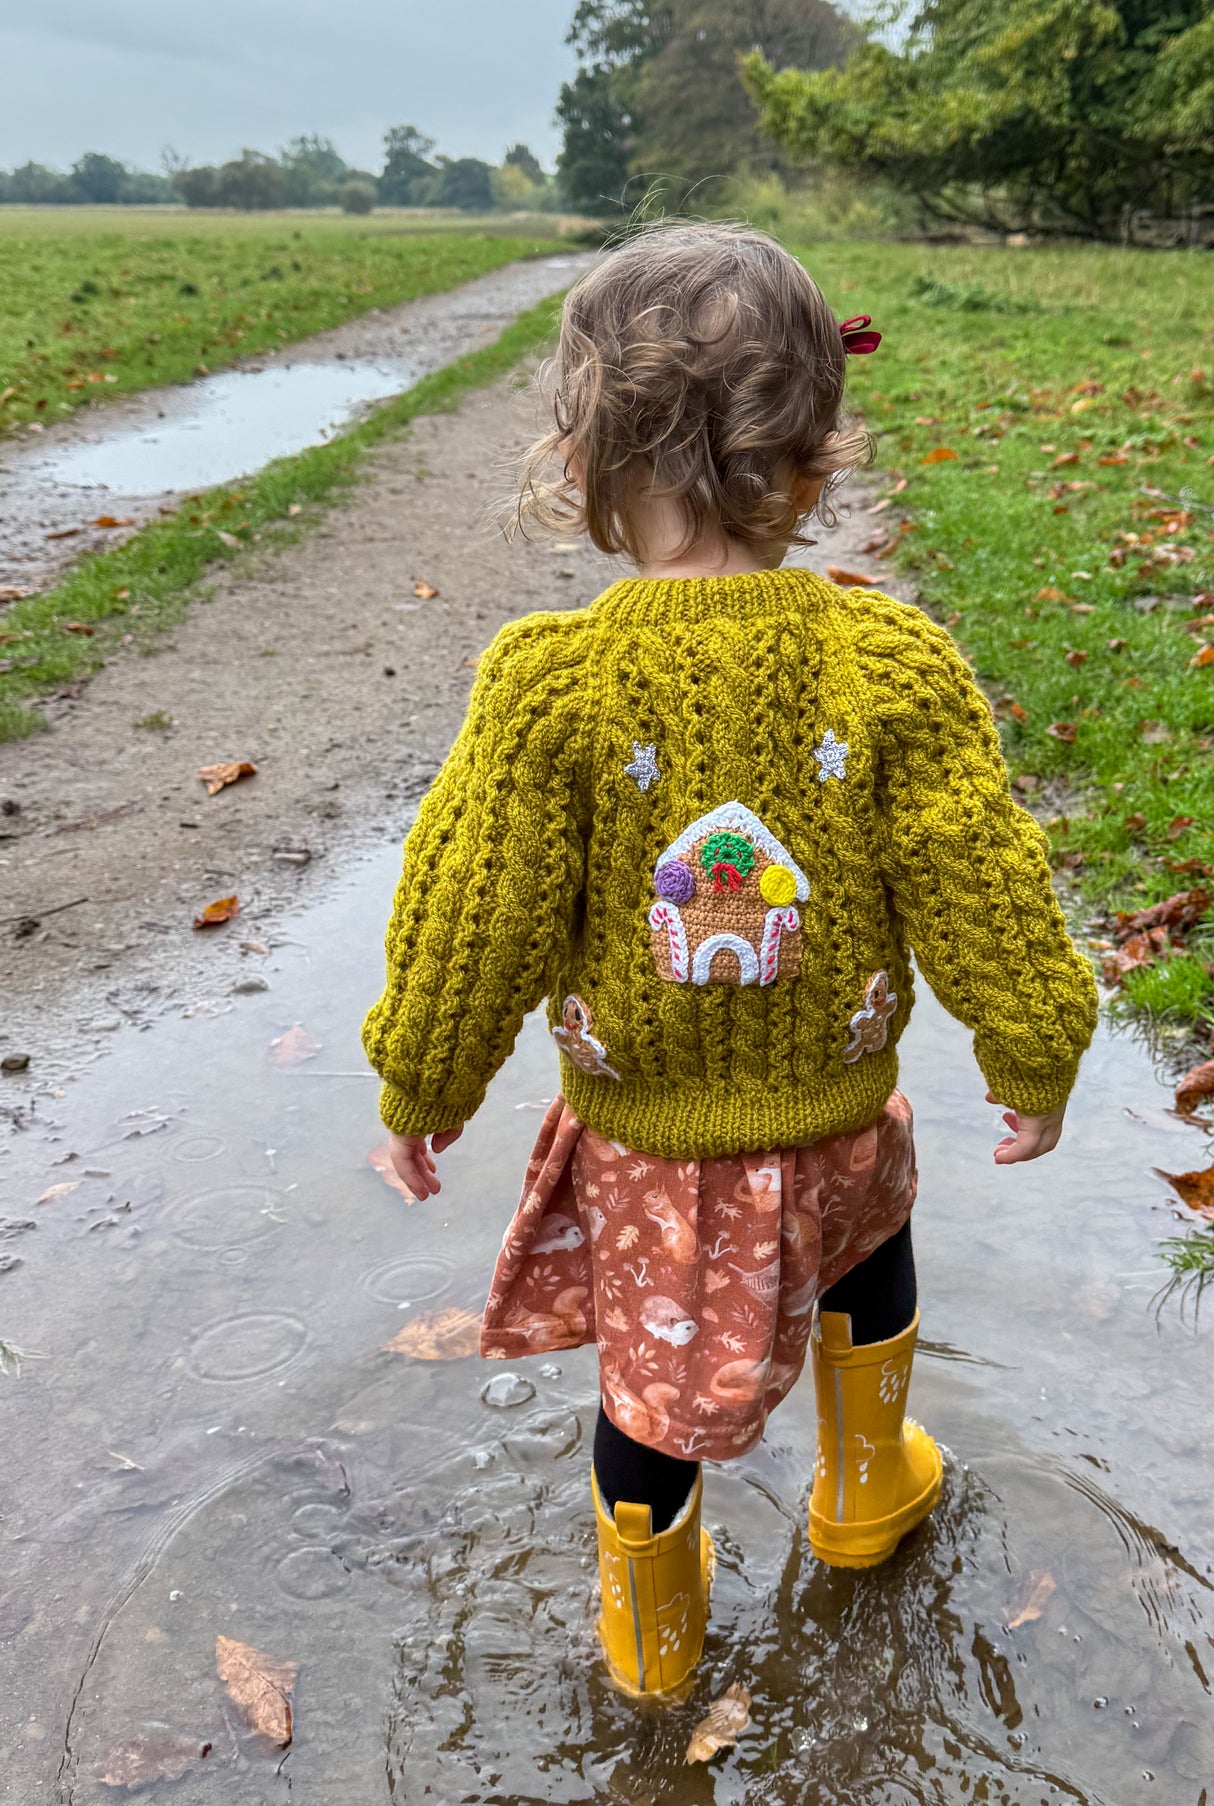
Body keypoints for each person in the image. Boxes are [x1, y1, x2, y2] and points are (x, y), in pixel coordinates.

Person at [362, 220, 1097, 1700]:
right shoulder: (889, 660)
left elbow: (470, 917)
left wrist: (418, 1080)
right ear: (811, 452)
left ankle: (652, 1641)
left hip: (653, 1157)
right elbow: (986, 882)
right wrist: (1036, 1049)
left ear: (581, 462)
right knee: (865, 1259)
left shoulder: (546, 683)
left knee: (648, 1385)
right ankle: (863, 1486)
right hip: (840, 1118)